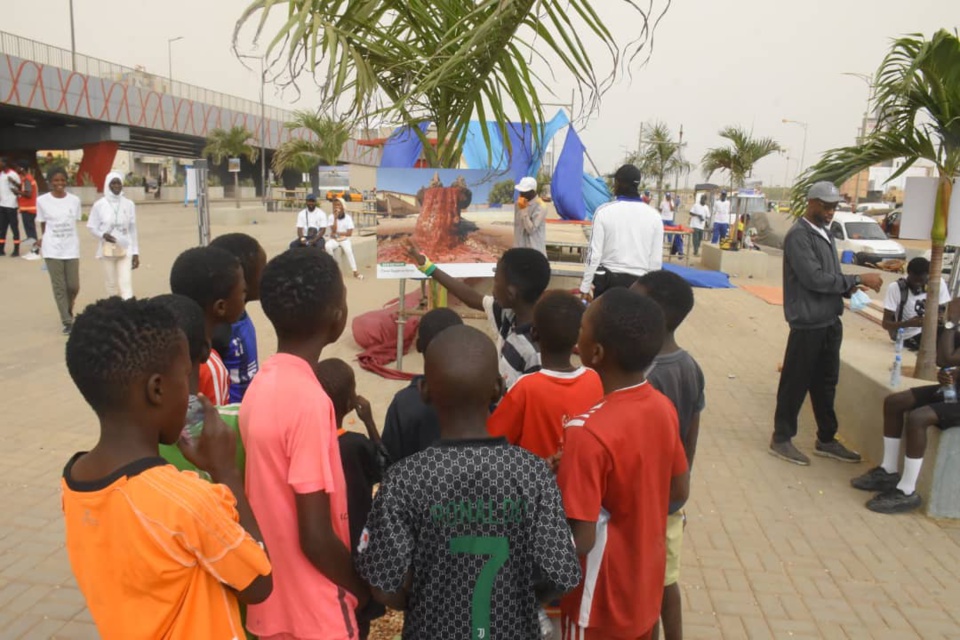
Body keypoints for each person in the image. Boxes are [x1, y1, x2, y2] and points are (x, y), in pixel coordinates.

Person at [61, 297, 272, 639]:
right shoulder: (187, 501)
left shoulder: (75, 480)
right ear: (157, 389)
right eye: (186, 374)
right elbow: (259, 584)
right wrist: (226, 472)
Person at [356, 325, 582, 638]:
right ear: (498, 388)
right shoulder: (533, 474)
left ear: (423, 391)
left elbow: (382, 583)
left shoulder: (404, 480)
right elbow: (561, 574)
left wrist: (423, 598)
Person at [240, 249, 368, 639]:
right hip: (316, 607)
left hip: (273, 602)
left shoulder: (261, 384)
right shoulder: (310, 401)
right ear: (337, 316)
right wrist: (357, 589)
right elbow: (314, 536)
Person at [557, 288, 689, 639]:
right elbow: (679, 489)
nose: (577, 333)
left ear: (596, 352)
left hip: (599, 604)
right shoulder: (662, 407)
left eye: (583, 326)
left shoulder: (585, 432)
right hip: (644, 587)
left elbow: (579, 540)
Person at [770, 182, 883, 465]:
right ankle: (781, 438)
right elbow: (814, 278)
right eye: (826, 205)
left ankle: (827, 439)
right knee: (796, 381)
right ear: (811, 203)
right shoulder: (799, 236)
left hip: (830, 320)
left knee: (826, 383)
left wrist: (849, 289)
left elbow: (830, 274)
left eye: (834, 206)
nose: (831, 211)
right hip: (808, 323)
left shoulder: (826, 233)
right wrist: (857, 279)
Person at [632, 271, 705, 640]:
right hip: (672, 499)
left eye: (632, 302)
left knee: (647, 586)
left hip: (647, 503)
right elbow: (691, 434)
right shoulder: (690, 366)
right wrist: (683, 485)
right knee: (665, 581)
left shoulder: (646, 376)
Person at [850, 297, 960, 513]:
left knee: (918, 418)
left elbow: (947, 358)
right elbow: (944, 361)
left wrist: (951, 321)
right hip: (954, 389)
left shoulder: (955, 321)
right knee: (895, 402)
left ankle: (907, 491)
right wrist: (950, 374)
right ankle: (889, 471)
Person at [315, 358, 390, 640]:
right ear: (350, 402)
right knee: (359, 620)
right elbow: (386, 469)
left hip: (321, 547)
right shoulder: (357, 445)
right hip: (358, 546)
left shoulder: (308, 443)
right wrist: (369, 421)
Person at [407, 243, 549, 389]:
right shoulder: (509, 315)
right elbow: (471, 298)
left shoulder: (536, 352)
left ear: (511, 293)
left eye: (496, 282)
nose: (492, 289)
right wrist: (427, 266)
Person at [487, 290, 603, 459]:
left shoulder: (525, 387)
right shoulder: (595, 379)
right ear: (577, 339)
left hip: (534, 482)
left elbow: (493, 442)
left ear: (533, 333)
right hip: (578, 480)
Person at [381, 308, 463, 463]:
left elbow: (389, 461)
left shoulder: (404, 403)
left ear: (418, 346)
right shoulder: (483, 394)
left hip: (415, 485)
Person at [170, 247, 247, 406]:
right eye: (243, 293)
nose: (244, 299)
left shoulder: (170, 351)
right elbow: (211, 423)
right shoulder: (210, 366)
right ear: (221, 307)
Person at [579, 164, 664, 300]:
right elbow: (655, 261)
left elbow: (594, 254)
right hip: (639, 284)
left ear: (617, 183)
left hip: (609, 282)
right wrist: (651, 293)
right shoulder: (655, 216)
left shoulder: (603, 212)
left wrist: (585, 286)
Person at [210, 233, 268, 403]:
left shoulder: (240, 315)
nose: (267, 275)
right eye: (262, 270)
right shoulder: (219, 332)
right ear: (241, 277)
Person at [36, 167, 82, 334]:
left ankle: (67, 308)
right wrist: (44, 239)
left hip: (71, 248)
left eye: (62, 180)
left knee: (73, 286)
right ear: (50, 182)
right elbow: (42, 223)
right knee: (59, 286)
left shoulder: (74, 201)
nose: (59, 183)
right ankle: (67, 321)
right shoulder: (42, 201)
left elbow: (75, 221)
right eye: (56, 180)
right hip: (52, 249)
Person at [88, 171, 140, 299]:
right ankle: (114, 313)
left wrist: (135, 252)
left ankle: (128, 312)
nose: (116, 186)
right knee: (111, 285)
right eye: (113, 183)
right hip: (107, 250)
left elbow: (132, 230)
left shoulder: (129, 204)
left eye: (119, 183)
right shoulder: (99, 205)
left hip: (125, 249)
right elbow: (91, 227)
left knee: (126, 284)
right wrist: (103, 235)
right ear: (107, 185)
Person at [882, 257, 949, 352]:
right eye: (914, 281)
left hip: (931, 330)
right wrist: (909, 323)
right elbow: (886, 324)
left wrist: (938, 317)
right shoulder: (896, 288)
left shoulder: (938, 283)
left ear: (928, 275)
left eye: (921, 281)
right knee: (944, 348)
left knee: (953, 338)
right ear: (908, 274)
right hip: (907, 336)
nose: (917, 285)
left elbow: (943, 309)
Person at [326, 197, 364, 279]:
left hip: (344, 239)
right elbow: (333, 230)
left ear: (343, 206)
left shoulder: (348, 218)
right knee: (327, 246)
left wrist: (337, 234)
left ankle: (355, 271)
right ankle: (334, 269)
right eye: (335, 205)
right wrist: (335, 218)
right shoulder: (331, 217)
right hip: (335, 240)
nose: (337, 207)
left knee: (349, 251)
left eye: (339, 205)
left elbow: (349, 233)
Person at [514, 175, 547, 256]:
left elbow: (531, 230)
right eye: (520, 191)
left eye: (524, 192)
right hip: (520, 249)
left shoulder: (541, 206)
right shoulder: (518, 204)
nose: (521, 194)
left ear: (532, 192)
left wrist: (524, 211)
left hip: (534, 250)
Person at [16, 161, 39, 258]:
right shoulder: (28, 178)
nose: (16, 169)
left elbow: (28, 194)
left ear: (22, 169)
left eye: (17, 168)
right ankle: (33, 251)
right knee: (30, 231)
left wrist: (17, 192)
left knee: (30, 232)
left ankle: (35, 252)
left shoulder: (27, 179)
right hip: (29, 209)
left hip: (28, 209)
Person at [0, 157, 22, 256]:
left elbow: (20, 187)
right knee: (2, 228)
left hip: (11, 206)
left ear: (4, 163)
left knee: (14, 228)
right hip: (2, 205)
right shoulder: (1, 174)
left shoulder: (13, 174)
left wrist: (13, 182)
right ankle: (1, 249)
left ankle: (16, 250)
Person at [660, 193, 683, 258]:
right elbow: (660, 210)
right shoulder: (662, 202)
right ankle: (661, 246)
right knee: (662, 234)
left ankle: (679, 250)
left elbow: (672, 209)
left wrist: (670, 202)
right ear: (666, 197)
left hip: (670, 220)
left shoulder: (672, 202)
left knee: (675, 233)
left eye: (669, 197)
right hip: (663, 219)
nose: (668, 198)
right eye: (667, 197)